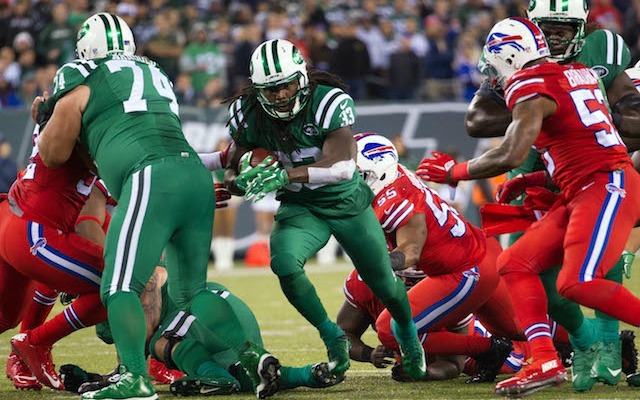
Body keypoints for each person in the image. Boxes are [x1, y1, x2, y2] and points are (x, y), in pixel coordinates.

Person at [35, 13, 278, 400]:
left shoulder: (79, 74)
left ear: (85, 50)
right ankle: (255, 359)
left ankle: (134, 378)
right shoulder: (155, 74)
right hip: (194, 174)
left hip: (150, 176)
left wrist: (45, 118)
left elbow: (53, 153)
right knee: (191, 290)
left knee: (118, 286)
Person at [417, 17, 640, 397]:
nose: (494, 74)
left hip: (606, 186)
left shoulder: (528, 82)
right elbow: (582, 145)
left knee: (576, 282)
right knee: (513, 264)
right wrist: (533, 179)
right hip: (584, 185)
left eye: (494, 63)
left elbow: (511, 152)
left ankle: (582, 347)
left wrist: (453, 171)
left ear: (509, 57)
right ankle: (545, 361)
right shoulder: (577, 73)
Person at [224, 39, 426, 380]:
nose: (281, 95)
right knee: (284, 263)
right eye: (271, 90)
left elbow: (343, 166)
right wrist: (237, 179)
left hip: (344, 200)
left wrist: (283, 174)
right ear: (257, 90)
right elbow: (233, 162)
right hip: (301, 204)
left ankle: (408, 336)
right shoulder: (247, 112)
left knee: (384, 282)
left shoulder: (327, 102)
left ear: (302, 78)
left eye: (286, 85)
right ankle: (330, 335)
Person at [348, 133, 523, 383]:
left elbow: (410, 250)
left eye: (359, 175)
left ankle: (488, 348)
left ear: (379, 173)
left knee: (390, 329)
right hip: (481, 249)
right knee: (517, 327)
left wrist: (381, 263)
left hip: (463, 271)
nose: (352, 183)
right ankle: (580, 341)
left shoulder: (392, 201)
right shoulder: (398, 174)